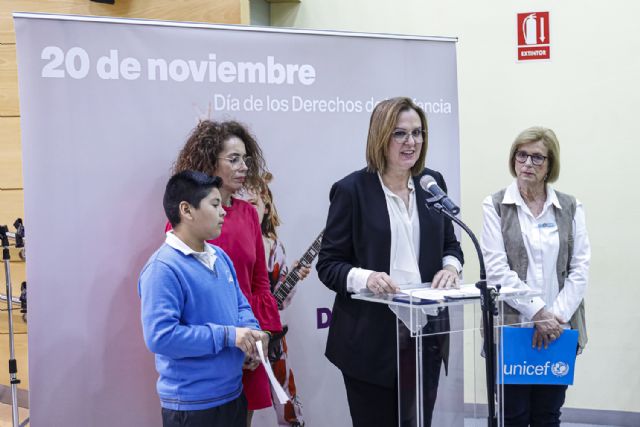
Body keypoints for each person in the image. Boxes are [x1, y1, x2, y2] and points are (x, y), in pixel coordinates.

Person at [316, 97, 464, 427]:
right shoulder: (352, 190)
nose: (411, 142)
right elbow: (328, 264)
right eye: (400, 134)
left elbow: (451, 246)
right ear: (381, 137)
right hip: (371, 340)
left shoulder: (431, 183)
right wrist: (365, 277)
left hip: (425, 336)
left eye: (417, 133)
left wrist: (451, 267)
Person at [172, 120, 283, 425]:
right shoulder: (188, 216)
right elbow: (183, 292)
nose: (243, 166)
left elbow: (260, 283)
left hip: (247, 348)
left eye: (245, 158)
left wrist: (258, 340)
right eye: (233, 159)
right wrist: (224, 340)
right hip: (207, 352)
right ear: (210, 163)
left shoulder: (249, 213)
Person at [139, 170, 268, 427]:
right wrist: (229, 336)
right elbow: (161, 337)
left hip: (232, 395)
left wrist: (252, 334)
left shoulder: (220, 257)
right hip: (192, 407)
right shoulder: (162, 268)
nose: (223, 212)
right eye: (215, 204)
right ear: (187, 210)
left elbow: (240, 305)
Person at [481, 126, 590, 427]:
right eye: (522, 155)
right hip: (513, 329)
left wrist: (554, 318)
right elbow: (497, 270)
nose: (527, 163)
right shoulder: (495, 205)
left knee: (548, 415)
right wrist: (537, 313)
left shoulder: (570, 207)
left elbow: (579, 268)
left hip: (559, 328)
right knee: (512, 416)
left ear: (550, 165)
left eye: (537, 158)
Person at [242, 173, 311, 427]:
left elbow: (279, 301)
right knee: (241, 408)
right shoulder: (231, 246)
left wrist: (293, 278)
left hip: (273, 340)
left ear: (266, 206)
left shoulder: (274, 247)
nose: (248, 212)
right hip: (242, 340)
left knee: (287, 402)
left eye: (253, 205)